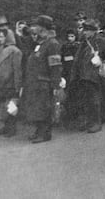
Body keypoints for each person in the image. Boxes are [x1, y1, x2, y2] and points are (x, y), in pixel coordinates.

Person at [70, 19, 105, 133]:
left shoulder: (100, 41)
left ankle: (97, 122)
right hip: (82, 75)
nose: (84, 32)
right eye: (84, 30)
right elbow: (78, 60)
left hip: (94, 75)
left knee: (94, 99)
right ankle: (89, 121)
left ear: (93, 31)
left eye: (87, 30)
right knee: (85, 99)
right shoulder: (84, 42)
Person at [22, 15, 62, 143]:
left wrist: (56, 85)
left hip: (45, 82)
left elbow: (55, 66)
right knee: (37, 108)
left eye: (35, 26)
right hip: (35, 82)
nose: (32, 29)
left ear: (43, 28)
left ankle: (45, 134)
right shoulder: (40, 43)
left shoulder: (52, 44)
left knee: (44, 108)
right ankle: (39, 131)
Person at [0, 29, 22, 137]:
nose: (0, 39)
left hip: (10, 82)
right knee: (3, 106)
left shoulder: (15, 51)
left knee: (11, 106)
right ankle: (6, 126)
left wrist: (17, 85)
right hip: (0, 82)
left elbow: (17, 70)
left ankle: (12, 129)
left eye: (2, 37)